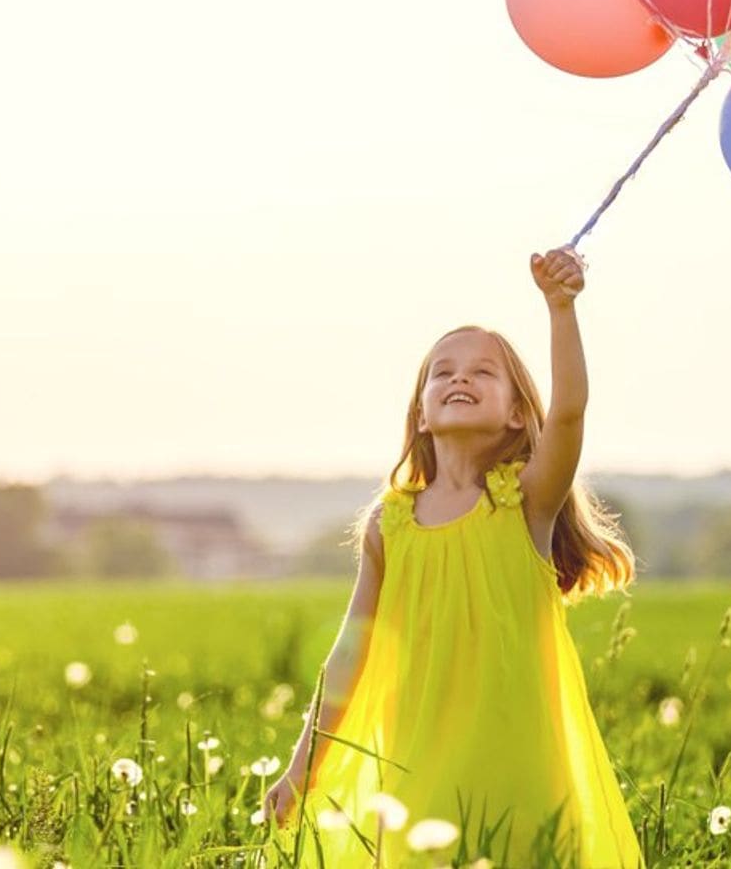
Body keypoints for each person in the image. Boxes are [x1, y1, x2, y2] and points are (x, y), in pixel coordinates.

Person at [261, 245, 643, 868]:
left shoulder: (524, 502)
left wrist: (560, 309)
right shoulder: (391, 525)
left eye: (482, 372)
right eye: (442, 372)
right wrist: (302, 767)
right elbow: (348, 655)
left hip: (518, 757)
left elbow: (571, 411)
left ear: (519, 412)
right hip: (418, 762)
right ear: (420, 412)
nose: (459, 378)